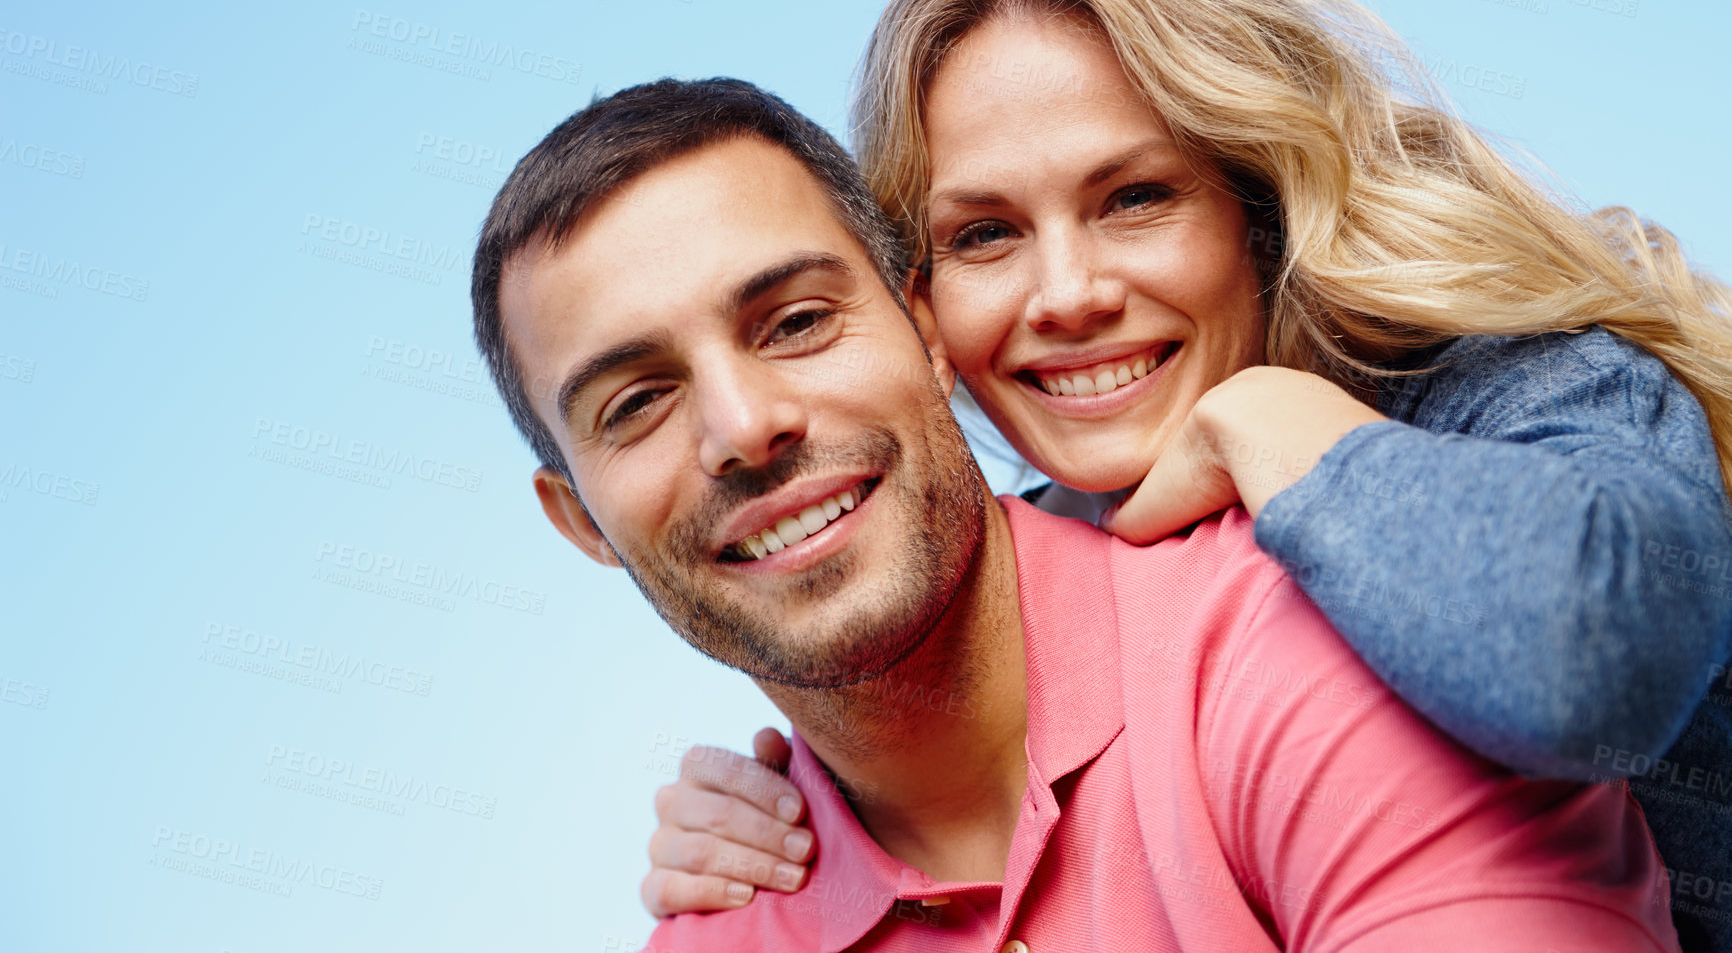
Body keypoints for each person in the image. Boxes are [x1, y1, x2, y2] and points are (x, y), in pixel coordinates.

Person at [641, 0, 1732, 948]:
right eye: (984, 234)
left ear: (1259, 211)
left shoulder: (1535, 387)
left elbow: (1590, 670)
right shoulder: (1058, 542)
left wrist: (1284, 430)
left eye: (1134, 197)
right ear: (919, 300)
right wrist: (800, 818)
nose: (1065, 294)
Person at [470, 75, 1682, 950]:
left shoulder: (1346, 613)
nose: (744, 427)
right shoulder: (727, 904)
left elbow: (1585, 636)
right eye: (635, 401)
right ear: (578, 522)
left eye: (795, 322)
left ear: (922, 334)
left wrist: (1277, 424)